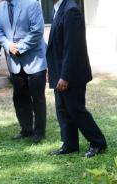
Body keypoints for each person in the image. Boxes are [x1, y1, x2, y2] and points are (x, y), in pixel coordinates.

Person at [46, 0, 107, 157]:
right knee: (63, 110)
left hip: (72, 74)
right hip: (60, 71)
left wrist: (65, 76)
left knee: (76, 110)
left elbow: (73, 47)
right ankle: (70, 144)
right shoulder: (59, 9)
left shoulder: (70, 10)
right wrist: (53, 70)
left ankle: (98, 142)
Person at [0, 0, 47, 144]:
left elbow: (37, 30)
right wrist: (8, 46)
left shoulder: (32, 4)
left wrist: (20, 47)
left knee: (37, 98)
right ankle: (26, 130)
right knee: (19, 97)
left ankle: (39, 132)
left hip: (34, 60)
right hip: (14, 62)